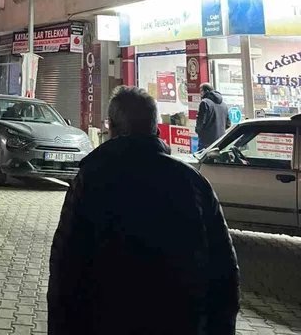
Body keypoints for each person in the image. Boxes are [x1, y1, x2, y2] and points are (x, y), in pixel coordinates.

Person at [48, 86, 239, 335]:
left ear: (112, 128)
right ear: (155, 128)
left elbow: (66, 266)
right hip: (181, 322)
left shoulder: (92, 179)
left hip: (106, 321)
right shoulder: (191, 181)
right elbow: (224, 269)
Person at [196, 83, 230, 149]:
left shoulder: (204, 103)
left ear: (206, 91)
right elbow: (228, 124)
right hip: (220, 141)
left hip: (206, 142)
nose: (200, 93)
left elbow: (200, 122)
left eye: (201, 91)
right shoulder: (224, 104)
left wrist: (198, 131)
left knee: (202, 155)